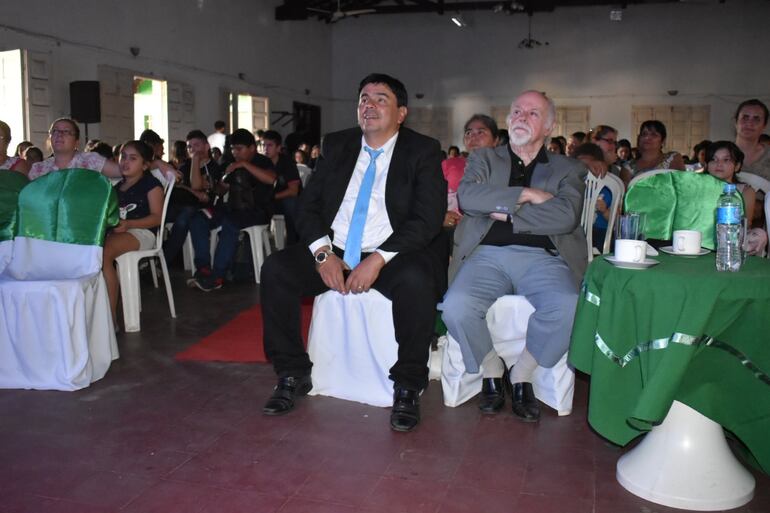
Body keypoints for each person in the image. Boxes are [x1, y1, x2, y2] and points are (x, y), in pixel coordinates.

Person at [260, 73, 445, 432]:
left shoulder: (422, 150)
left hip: (391, 250)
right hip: (338, 248)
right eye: (364, 98)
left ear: (401, 113)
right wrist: (323, 254)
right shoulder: (337, 145)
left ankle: (407, 385)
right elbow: (307, 207)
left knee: (417, 279)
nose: (369, 105)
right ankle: (292, 373)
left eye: (380, 99)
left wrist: (378, 260)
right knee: (276, 270)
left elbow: (427, 219)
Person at [440, 90, 587, 423]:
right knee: (455, 306)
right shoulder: (484, 159)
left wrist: (504, 211)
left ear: (549, 126)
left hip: (544, 257)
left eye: (532, 113)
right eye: (517, 111)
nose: (521, 117)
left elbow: (565, 217)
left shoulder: (568, 168)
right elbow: (469, 198)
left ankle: (521, 373)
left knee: (569, 305)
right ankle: (492, 367)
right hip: (486, 254)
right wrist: (527, 195)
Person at [187, 128, 276, 291]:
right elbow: (220, 191)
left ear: (252, 148)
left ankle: (218, 275)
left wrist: (243, 165)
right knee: (198, 218)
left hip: (256, 210)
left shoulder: (262, 161)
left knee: (230, 223)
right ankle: (203, 268)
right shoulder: (229, 162)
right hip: (230, 208)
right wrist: (222, 183)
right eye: (233, 149)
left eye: (239, 149)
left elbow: (271, 179)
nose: (236, 152)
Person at [103, 141, 164, 327]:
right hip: (120, 233)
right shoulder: (116, 187)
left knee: (103, 253)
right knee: (94, 250)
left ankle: (110, 318)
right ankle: (101, 311)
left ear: (145, 165)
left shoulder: (151, 185)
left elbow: (157, 218)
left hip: (142, 232)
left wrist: (129, 223)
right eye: (123, 156)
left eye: (133, 158)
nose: (125, 162)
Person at [163, 130, 223, 266]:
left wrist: (195, 160)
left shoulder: (214, 168)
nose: (192, 149)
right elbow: (179, 186)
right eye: (189, 146)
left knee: (185, 218)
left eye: (196, 145)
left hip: (201, 210)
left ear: (207, 146)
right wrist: (193, 191)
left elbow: (197, 186)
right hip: (179, 204)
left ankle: (164, 261)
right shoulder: (185, 166)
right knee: (161, 216)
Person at [29, 118, 121, 180]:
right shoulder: (38, 169)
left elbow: (125, 172)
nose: (59, 134)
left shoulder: (91, 160)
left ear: (76, 141)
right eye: (55, 131)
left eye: (66, 131)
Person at [262, 130, 302, 245]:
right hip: (270, 202)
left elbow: (294, 191)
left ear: (279, 148)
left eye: (270, 145)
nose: (266, 148)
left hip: (285, 200)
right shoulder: (262, 163)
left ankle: (293, 244)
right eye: (263, 145)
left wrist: (272, 196)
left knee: (291, 204)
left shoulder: (287, 163)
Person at [574, 143, 614, 251]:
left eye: (590, 166)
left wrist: (605, 210)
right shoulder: (572, 187)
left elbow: (615, 220)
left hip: (600, 232)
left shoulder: (607, 190)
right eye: (580, 166)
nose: (586, 171)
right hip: (577, 230)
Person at [621, 120, 685, 186]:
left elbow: (681, 185)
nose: (647, 138)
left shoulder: (673, 158)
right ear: (639, 138)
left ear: (662, 140)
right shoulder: (628, 167)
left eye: (654, 135)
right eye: (644, 134)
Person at [734, 99, 770, 182]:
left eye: (756, 119)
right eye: (745, 118)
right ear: (736, 122)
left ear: (764, 126)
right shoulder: (719, 154)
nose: (750, 123)